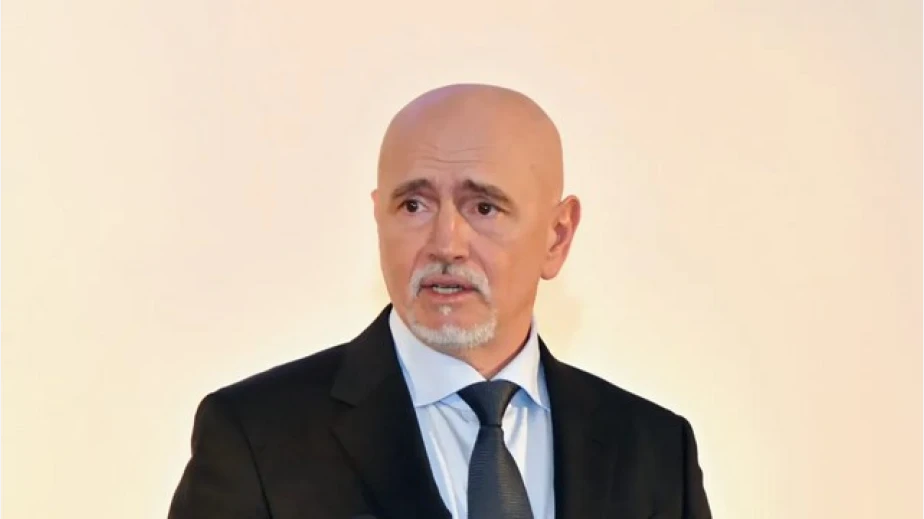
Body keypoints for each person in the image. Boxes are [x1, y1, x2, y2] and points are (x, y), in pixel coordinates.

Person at [167, 83, 713, 519]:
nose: (446, 244)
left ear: (557, 235)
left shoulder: (654, 449)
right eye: (414, 206)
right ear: (378, 217)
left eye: (483, 207)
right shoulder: (257, 436)